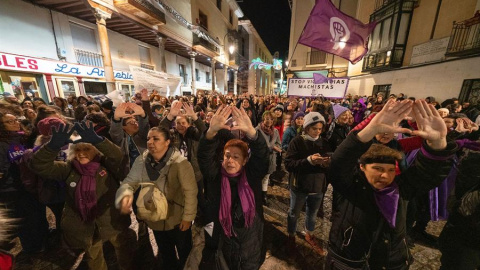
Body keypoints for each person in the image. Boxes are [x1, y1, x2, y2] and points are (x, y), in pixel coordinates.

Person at [326, 100, 457, 270]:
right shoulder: (351, 187)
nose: (385, 175)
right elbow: (339, 163)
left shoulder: (400, 189)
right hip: (349, 261)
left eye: (390, 170)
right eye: (377, 168)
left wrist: (439, 142)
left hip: (390, 263)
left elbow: (427, 174)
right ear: (362, 166)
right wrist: (369, 129)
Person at [29, 121, 133, 270]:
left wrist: (99, 140)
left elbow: (118, 156)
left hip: (111, 219)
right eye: (78, 150)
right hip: (86, 225)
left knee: (122, 249)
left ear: (96, 151)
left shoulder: (106, 165)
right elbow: (38, 165)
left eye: (86, 149)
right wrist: (52, 146)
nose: (81, 153)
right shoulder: (68, 168)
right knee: (94, 256)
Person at [116, 126, 197, 270]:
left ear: (167, 142)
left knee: (185, 253)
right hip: (154, 218)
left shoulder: (180, 163)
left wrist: (188, 218)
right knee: (166, 254)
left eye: (156, 139)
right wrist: (126, 194)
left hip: (177, 219)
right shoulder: (142, 161)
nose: (150, 142)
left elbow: (190, 191)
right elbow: (130, 182)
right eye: (148, 139)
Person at [198, 105, 269, 269]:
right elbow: (204, 157)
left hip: (249, 246)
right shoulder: (216, 176)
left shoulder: (252, 177)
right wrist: (210, 133)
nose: (230, 160)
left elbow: (262, 158)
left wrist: (253, 134)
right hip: (222, 244)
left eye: (236, 157)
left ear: (245, 161)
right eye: (227, 156)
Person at [285, 112, 331, 256]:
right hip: (299, 186)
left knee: (312, 214)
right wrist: (309, 160)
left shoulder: (324, 142)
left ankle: (309, 233)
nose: (317, 131)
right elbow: (289, 164)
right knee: (294, 213)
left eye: (320, 129)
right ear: (306, 128)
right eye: (314, 128)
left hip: (317, 187)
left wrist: (327, 163)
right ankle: (291, 235)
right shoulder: (297, 142)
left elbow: (330, 162)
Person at [256, 111, 281, 206]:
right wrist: (271, 147)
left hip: (270, 159)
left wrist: (275, 148)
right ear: (263, 119)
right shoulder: (257, 130)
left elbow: (279, 144)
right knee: (258, 178)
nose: (269, 121)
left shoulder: (275, 131)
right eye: (267, 119)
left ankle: (264, 196)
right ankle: (256, 195)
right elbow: (256, 145)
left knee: (266, 178)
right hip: (259, 159)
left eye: (271, 119)